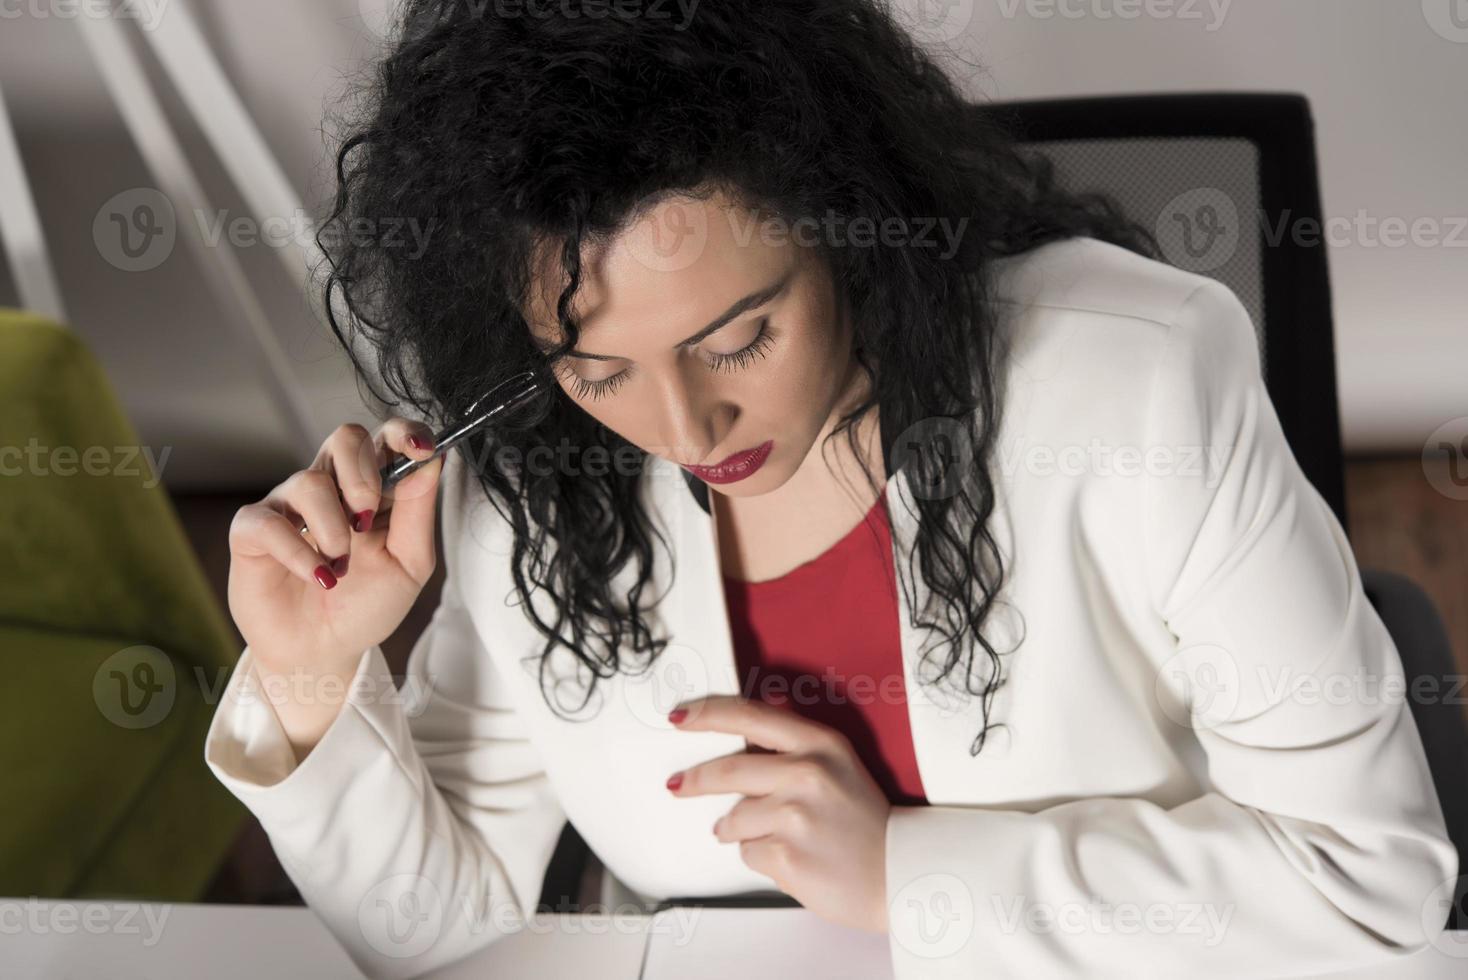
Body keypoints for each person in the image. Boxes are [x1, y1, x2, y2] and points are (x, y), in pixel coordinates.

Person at [205, 2, 1457, 978]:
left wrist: (909, 876)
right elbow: (442, 932)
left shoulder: (1139, 380)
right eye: (597, 367)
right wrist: (311, 674)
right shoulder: (538, 465)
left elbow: (1366, 877)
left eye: (739, 337)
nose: (685, 427)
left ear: (849, 228)